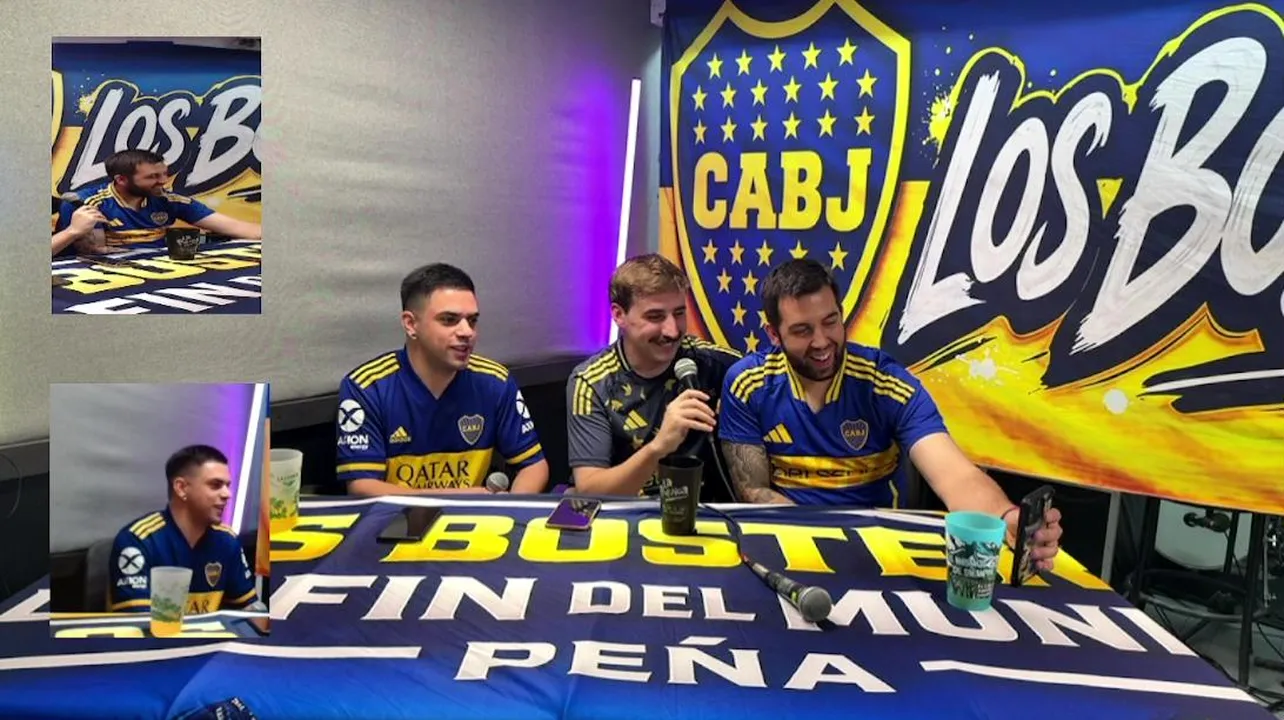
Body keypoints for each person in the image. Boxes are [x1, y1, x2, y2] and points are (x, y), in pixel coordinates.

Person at [718, 259, 1062, 568]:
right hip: (789, 542)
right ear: (774, 335)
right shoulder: (747, 384)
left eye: (830, 322)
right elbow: (753, 491)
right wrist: (825, 536)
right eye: (802, 330)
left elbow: (955, 475)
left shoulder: (886, 383)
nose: (821, 341)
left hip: (878, 551)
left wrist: (1004, 517)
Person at [337, 263, 549, 495]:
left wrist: (510, 508)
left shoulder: (495, 382)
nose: (467, 332)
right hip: (396, 519)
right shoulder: (367, 387)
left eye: (472, 320)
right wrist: (454, 499)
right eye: (449, 320)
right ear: (411, 324)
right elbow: (362, 486)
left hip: (479, 518)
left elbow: (534, 466)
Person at [567, 254, 741, 499]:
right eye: (655, 317)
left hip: (706, 512)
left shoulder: (718, 365)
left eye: (679, 313)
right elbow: (589, 490)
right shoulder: (591, 383)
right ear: (619, 315)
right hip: (627, 514)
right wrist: (660, 446)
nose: (672, 331)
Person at [108, 445, 259, 614]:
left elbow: (248, 609)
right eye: (215, 485)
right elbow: (139, 622)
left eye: (227, 485)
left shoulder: (227, 541)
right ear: (181, 488)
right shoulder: (139, 540)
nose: (227, 494)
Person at [51, 149, 263, 256]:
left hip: (164, 275)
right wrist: (74, 231)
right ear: (121, 180)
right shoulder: (84, 203)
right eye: (152, 177)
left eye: (164, 174)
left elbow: (243, 229)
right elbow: (90, 253)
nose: (163, 181)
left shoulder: (169, 200)